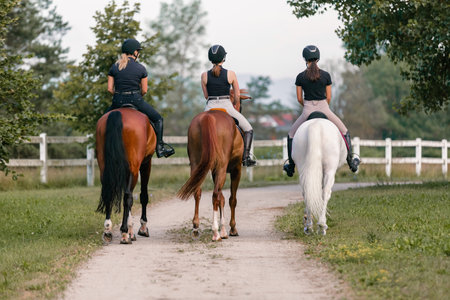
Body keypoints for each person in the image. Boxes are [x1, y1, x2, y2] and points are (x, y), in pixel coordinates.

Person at [283, 45, 360, 176]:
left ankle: (291, 165)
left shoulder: (300, 77)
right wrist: (323, 107)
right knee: (344, 130)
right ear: (318, 58)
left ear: (304, 58)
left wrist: (307, 106)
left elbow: (299, 98)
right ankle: (351, 161)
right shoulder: (325, 75)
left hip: (307, 109)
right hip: (325, 108)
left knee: (291, 134)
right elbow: (329, 97)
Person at [106, 38, 174, 158]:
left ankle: (101, 147)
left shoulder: (114, 67)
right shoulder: (141, 68)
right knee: (158, 119)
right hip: (135, 100)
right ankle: (160, 148)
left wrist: (119, 95)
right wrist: (137, 97)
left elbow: (110, 89)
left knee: (102, 121)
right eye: (138, 51)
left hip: (117, 101)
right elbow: (144, 90)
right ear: (135, 52)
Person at [201, 45, 256, 167]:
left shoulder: (204, 75)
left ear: (210, 59)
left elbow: (206, 95)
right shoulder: (230, 74)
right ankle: (246, 158)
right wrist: (236, 103)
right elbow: (236, 95)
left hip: (210, 106)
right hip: (226, 105)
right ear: (223, 58)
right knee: (248, 129)